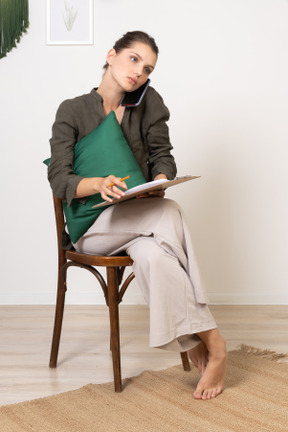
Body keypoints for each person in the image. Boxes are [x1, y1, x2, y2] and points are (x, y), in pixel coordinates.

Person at [48, 30, 227, 400]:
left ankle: (188, 336)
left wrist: (160, 177)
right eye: (133, 60)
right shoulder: (72, 110)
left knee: (154, 256)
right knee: (169, 212)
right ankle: (216, 343)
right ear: (111, 55)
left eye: (147, 69)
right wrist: (97, 183)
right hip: (93, 226)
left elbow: (163, 153)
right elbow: (59, 177)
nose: (138, 73)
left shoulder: (148, 103)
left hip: (139, 219)